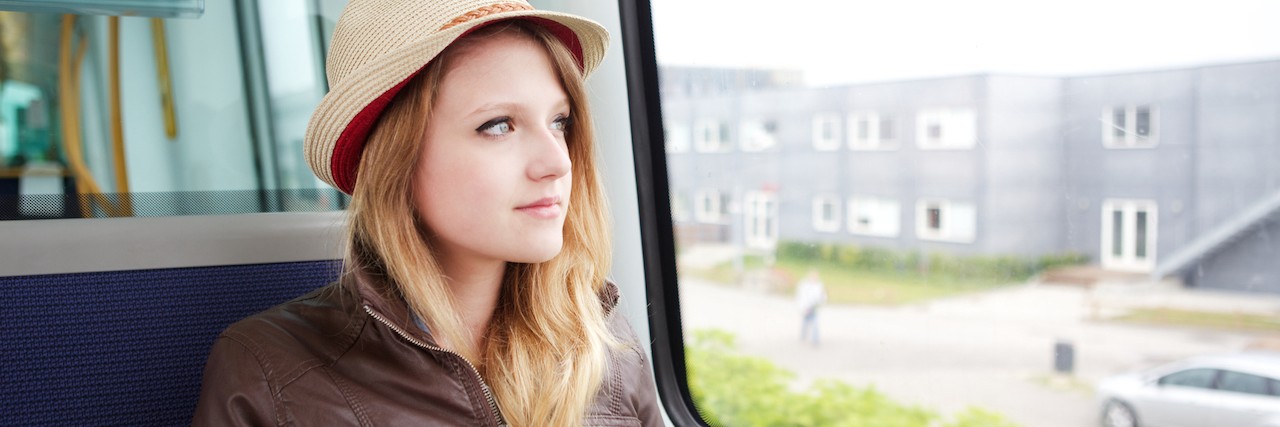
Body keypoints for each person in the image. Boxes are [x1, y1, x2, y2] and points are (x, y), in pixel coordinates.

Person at [192, 1, 662, 425]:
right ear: (396, 161)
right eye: (498, 125)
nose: (558, 161)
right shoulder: (271, 373)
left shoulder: (603, 340)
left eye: (559, 122)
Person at [795, 270, 827, 347]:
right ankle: (803, 336)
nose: (815, 278)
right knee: (805, 323)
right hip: (805, 307)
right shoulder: (804, 285)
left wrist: (821, 301)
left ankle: (815, 340)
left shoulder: (819, 285)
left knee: (815, 324)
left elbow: (822, 296)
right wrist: (803, 307)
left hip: (813, 307)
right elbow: (801, 297)